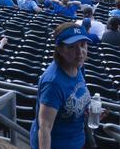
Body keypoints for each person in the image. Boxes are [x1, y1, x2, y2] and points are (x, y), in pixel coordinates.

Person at [30, 21, 93, 149]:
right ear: (60, 49)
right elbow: (45, 128)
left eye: (83, 45)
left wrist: (87, 110)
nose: (80, 52)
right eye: (71, 47)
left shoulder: (78, 65)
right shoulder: (53, 82)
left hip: (77, 140)